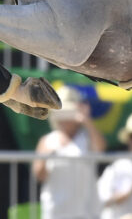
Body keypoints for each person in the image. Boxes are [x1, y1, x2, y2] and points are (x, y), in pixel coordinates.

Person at [33, 86, 104, 219]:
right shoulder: (47, 141)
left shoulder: (87, 138)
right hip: (55, 211)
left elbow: (100, 149)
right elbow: (39, 175)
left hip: (86, 211)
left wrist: (86, 120)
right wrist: (44, 158)